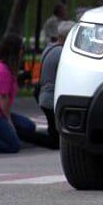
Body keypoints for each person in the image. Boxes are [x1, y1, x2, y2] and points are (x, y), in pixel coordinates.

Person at [0, 34, 54, 152]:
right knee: (13, 146)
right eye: (21, 49)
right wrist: (9, 121)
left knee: (28, 126)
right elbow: (3, 98)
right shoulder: (1, 70)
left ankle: (1, 135)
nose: (22, 52)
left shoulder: (7, 69)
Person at [35, 20, 72, 150]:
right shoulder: (63, 53)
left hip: (44, 96)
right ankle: (29, 137)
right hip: (52, 100)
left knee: (54, 133)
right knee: (56, 141)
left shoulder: (49, 48)